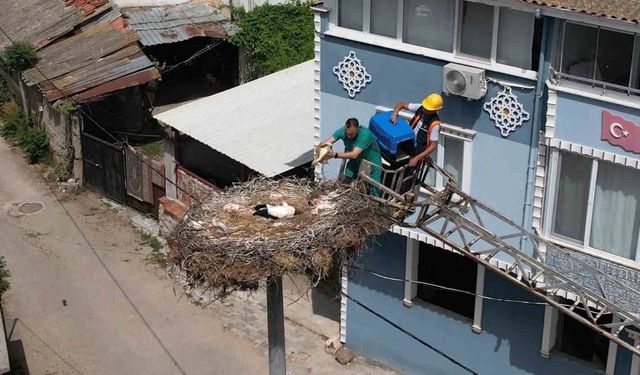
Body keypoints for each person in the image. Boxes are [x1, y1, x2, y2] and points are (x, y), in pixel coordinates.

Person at [317, 118, 382, 184]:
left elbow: (354, 154)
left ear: (358, 130)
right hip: (356, 161)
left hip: (371, 162)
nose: (348, 136)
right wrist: (320, 148)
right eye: (347, 133)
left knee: (371, 186)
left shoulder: (365, 135)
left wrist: (335, 154)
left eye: (351, 134)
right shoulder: (342, 131)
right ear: (345, 127)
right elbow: (328, 142)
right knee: (346, 181)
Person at [390, 93, 443, 167]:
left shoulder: (434, 124)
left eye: (428, 109)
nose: (425, 109)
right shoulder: (420, 108)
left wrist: (417, 158)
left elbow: (433, 146)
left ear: (435, 110)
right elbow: (401, 104)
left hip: (416, 153)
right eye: (425, 107)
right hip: (405, 144)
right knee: (393, 163)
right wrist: (394, 114)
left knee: (406, 174)